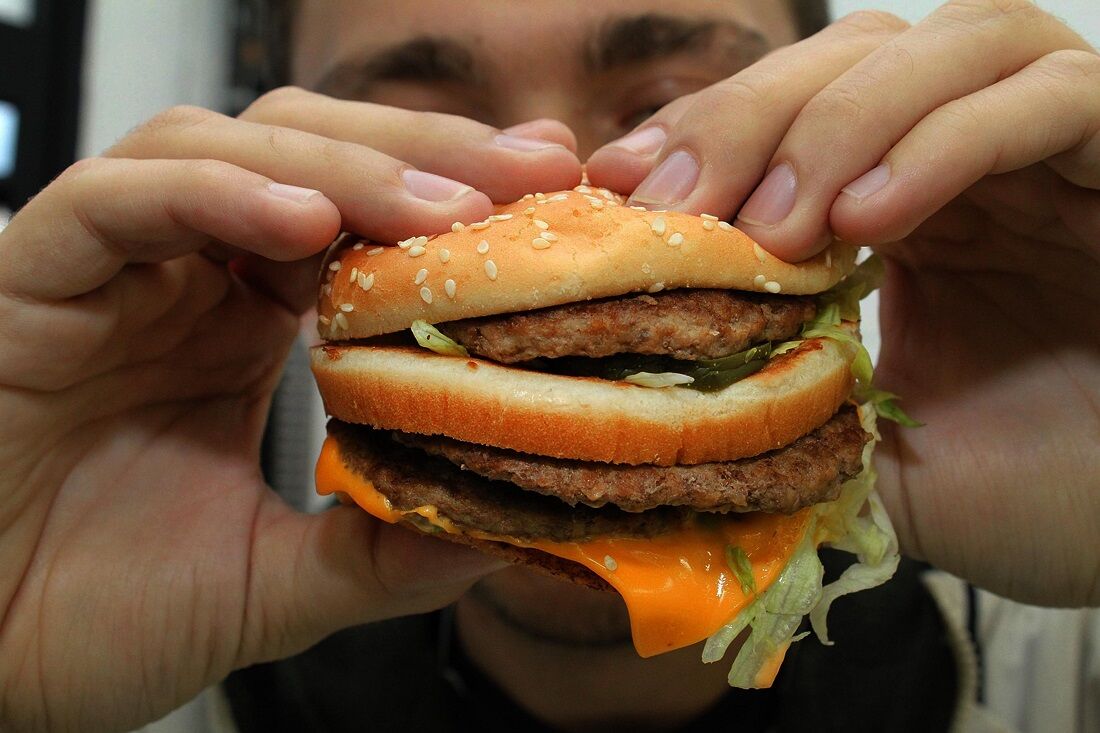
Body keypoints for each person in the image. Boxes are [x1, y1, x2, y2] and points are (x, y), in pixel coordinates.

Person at [0, 0, 1097, 730]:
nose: (563, 184)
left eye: (671, 112)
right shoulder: (161, 686)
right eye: (412, 138)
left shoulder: (1043, 670)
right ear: (282, 213)